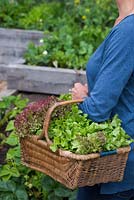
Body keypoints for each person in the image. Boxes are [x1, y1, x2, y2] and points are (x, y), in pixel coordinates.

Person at [71, 0, 134, 199]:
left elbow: (97, 110)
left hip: (119, 163)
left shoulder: (129, 31)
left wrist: (82, 98)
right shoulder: (123, 23)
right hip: (105, 156)